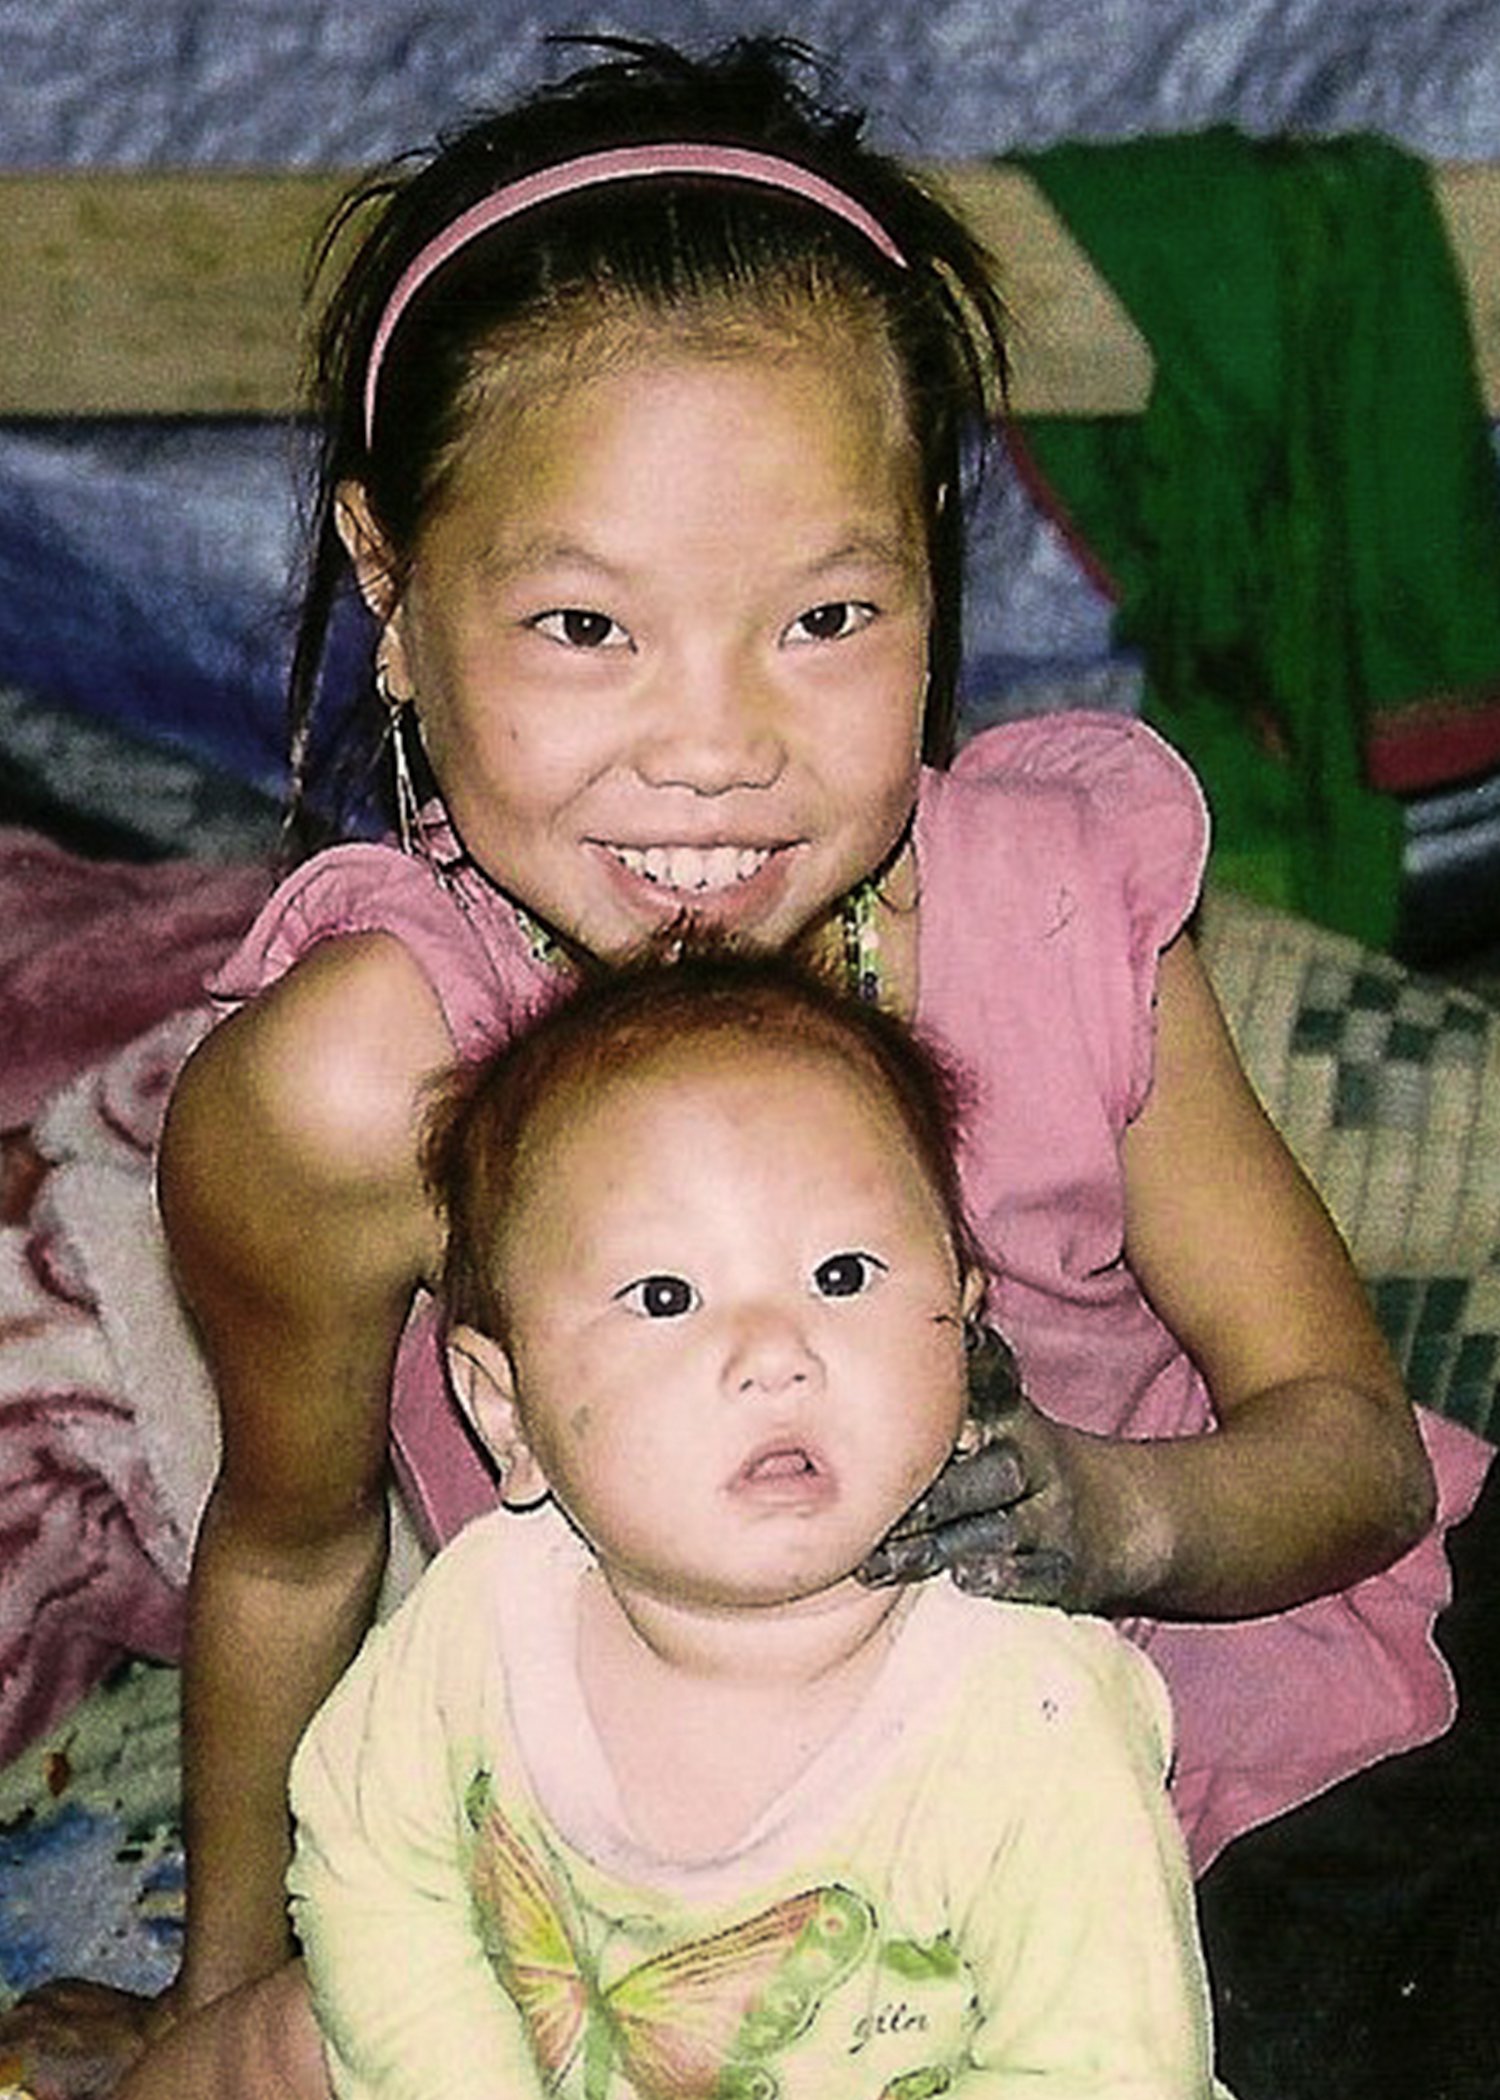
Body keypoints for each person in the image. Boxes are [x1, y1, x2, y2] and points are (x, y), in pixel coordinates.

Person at [2, 30, 1490, 2100]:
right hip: (717, 1828)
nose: (716, 748)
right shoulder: (358, 1086)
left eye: (826, 616)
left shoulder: (1056, 908)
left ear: (934, 574)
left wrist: (1116, 1518)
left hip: (1233, 1709)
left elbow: (1353, 1448)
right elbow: (287, 1544)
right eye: (588, 630)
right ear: (394, 590)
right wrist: (213, 1992)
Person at [125, 945, 1235, 2100]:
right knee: (260, 2050)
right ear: (508, 1414)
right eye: (666, 1299)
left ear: (961, 1329)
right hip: (519, 2053)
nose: (774, 1353)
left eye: (843, 1275)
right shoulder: (489, 1610)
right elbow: (370, 1859)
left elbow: (1112, 2069)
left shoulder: (1031, 1717)